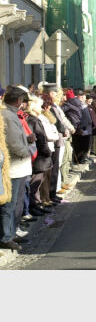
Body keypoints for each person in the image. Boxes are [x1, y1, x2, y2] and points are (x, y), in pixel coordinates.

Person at [0, 87, 33, 251]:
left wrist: (27, 139)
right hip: (14, 166)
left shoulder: (10, 114)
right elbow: (14, 143)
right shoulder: (8, 116)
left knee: (15, 204)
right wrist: (29, 150)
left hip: (17, 166)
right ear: (19, 100)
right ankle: (7, 236)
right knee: (10, 204)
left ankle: (10, 233)